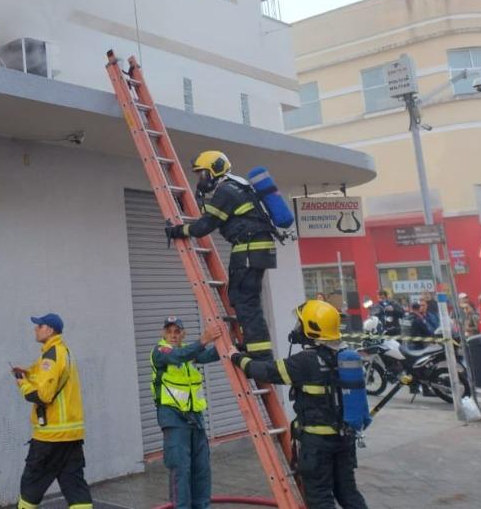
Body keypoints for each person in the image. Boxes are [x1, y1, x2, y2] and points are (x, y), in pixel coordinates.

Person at [232, 300, 369, 509]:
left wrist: (237, 357)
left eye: (301, 323)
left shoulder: (306, 361)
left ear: (312, 328)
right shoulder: (344, 356)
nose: (297, 328)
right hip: (345, 440)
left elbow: (266, 372)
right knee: (348, 493)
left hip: (317, 445)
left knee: (320, 498)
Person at [165, 151, 277, 359]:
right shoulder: (237, 186)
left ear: (213, 171)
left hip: (248, 249)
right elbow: (217, 216)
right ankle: (254, 348)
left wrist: (177, 231)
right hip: (257, 247)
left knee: (244, 300)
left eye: (202, 174)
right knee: (246, 298)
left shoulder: (225, 191)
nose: (200, 180)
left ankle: (259, 355)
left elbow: (204, 226)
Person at [11, 313, 91, 509]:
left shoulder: (52, 355)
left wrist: (22, 384)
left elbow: (43, 395)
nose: (35, 329)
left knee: (31, 486)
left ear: (50, 329)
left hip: (51, 436)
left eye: (39, 326)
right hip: (71, 437)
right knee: (75, 487)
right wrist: (28, 372)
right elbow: (44, 374)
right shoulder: (63, 351)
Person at [151, 316, 222, 509]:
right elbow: (177, 356)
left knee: (201, 471)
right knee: (181, 471)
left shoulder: (188, 353)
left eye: (177, 331)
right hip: (174, 421)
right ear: (163, 334)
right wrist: (204, 339)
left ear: (183, 334)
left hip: (196, 420)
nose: (173, 335)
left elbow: (210, 355)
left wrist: (231, 341)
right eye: (169, 331)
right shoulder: (160, 351)